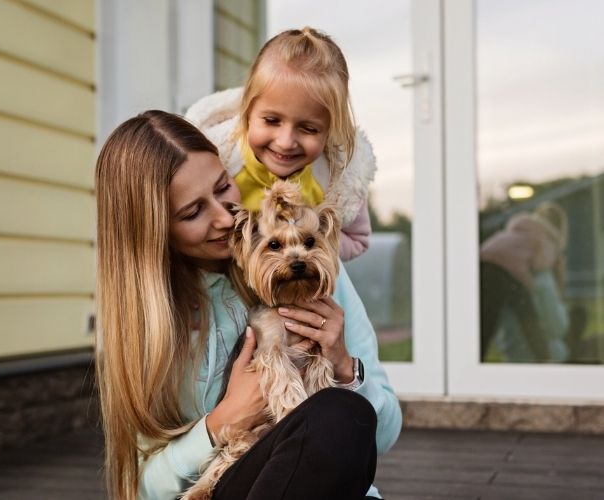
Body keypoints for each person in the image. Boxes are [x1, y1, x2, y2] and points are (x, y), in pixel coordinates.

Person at [95, 110, 401, 499]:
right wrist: (222, 422)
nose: (225, 217)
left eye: (224, 187)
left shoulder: (315, 274)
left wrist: (343, 367)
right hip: (230, 486)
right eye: (193, 211)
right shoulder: (147, 319)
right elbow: (143, 488)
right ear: (154, 231)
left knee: (341, 415)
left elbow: (383, 435)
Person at [186, 27, 376, 262]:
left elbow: (357, 239)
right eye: (272, 120)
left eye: (308, 129)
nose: (285, 143)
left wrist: (310, 244)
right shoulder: (220, 163)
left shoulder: (336, 177)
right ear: (247, 111)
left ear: (330, 131)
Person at [479, 202, 570, 362]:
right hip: (508, 271)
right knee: (527, 315)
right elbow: (541, 264)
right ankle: (544, 358)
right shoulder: (547, 238)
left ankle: (476, 360)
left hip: (483, 266)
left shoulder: (521, 230)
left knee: (487, 321)